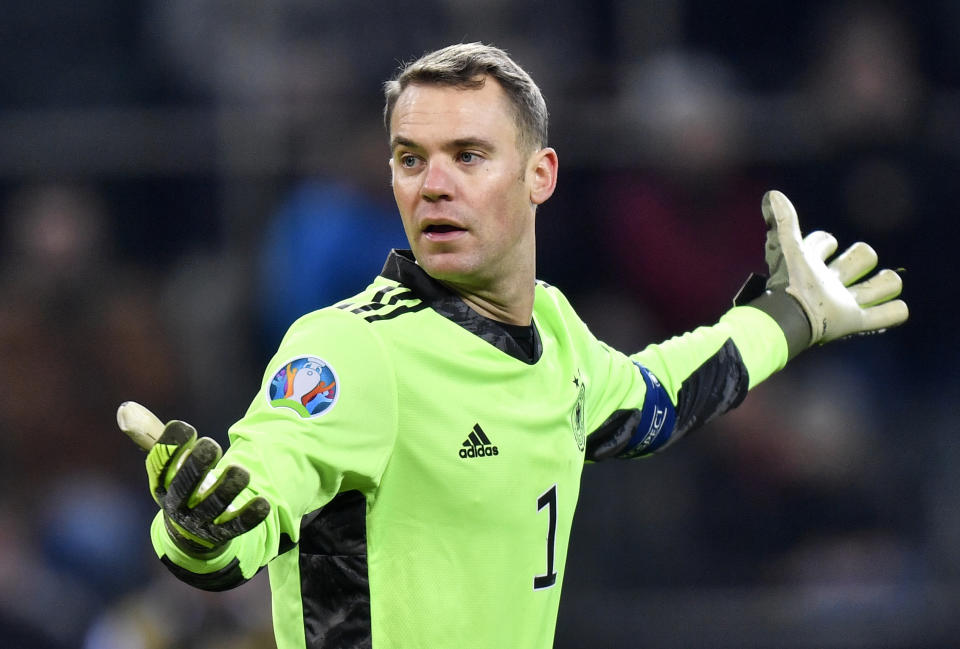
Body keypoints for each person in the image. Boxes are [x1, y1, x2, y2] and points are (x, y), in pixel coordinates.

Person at [121, 43, 908, 649]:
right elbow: (263, 484)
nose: (432, 184)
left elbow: (652, 400)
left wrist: (791, 314)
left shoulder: (556, 333)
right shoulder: (350, 347)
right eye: (408, 159)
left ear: (540, 175)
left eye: (467, 156)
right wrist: (200, 526)